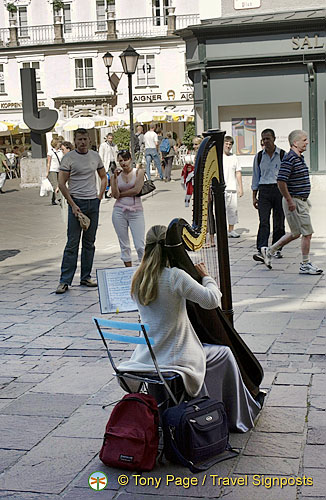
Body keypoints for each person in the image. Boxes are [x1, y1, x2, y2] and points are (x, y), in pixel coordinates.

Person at [118, 225, 262, 432]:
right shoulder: (175, 276)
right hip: (175, 359)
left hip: (145, 357)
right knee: (225, 353)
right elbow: (211, 300)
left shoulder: (137, 277)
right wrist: (206, 277)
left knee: (212, 352)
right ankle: (234, 416)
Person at [260, 130, 323, 275]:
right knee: (307, 233)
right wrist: (290, 200)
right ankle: (305, 264)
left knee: (296, 233)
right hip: (295, 201)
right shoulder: (290, 158)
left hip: (300, 201)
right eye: (304, 140)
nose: (307, 142)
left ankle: (269, 251)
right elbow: (281, 181)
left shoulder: (298, 157)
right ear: (295, 143)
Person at [55, 128, 107, 294]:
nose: (82, 142)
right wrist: (72, 204)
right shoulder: (68, 158)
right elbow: (62, 183)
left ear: (89, 140)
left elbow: (103, 176)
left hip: (93, 202)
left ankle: (86, 276)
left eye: (85, 139)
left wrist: (100, 196)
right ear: (75, 141)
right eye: (79, 139)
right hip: (76, 203)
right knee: (72, 243)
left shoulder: (95, 156)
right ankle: (65, 281)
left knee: (89, 243)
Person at [251, 129, 285, 262]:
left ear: (274, 139)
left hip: (278, 190)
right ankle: (262, 248)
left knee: (279, 222)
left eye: (268, 139)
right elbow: (255, 176)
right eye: (263, 139)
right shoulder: (259, 156)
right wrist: (254, 196)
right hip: (264, 190)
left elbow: (287, 175)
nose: (266, 141)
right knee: (264, 221)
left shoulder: (282, 155)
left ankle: (276, 248)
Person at [111, 150, 145, 267]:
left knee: (140, 244)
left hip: (136, 211)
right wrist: (114, 178)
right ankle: (128, 270)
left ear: (130, 159)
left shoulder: (138, 172)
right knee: (124, 244)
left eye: (126, 159)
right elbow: (115, 194)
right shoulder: (116, 176)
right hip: (119, 211)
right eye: (121, 160)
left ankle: (144, 269)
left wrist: (121, 194)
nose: (124, 163)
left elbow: (137, 189)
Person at [223, 135, 243, 238]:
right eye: (226, 144)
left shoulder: (234, 157)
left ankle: (231, 230)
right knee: (221, 211)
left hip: (232, 188)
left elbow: (238, 172)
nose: (228, 146)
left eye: (230, 144)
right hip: (221, 189)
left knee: (233, 210)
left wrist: (240, 188)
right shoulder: (219, 157)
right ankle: (221, 230)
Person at [47, 138, 63, 205]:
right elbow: (48, 162)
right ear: (56, 143)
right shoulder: (50, 152)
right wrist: (47, 172)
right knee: (56, 185)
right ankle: (59, 199)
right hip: (52, 170)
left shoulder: (61, 151)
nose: (60, 144)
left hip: (60, 170)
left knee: (58, 185)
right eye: (59, 142)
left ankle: (53, 199)